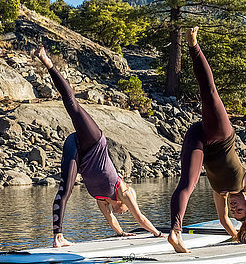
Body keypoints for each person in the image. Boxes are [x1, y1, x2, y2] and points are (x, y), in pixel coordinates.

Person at [168, 27, 246, 253]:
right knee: (209, 92)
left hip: (198, 140)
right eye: (240, 209)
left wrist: (237, 236)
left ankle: (175, 233)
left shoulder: (220, 194)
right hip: (221, 135)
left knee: (186, 185)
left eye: (235, 211)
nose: (235, 208)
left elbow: (223, 219)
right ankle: (193, 44)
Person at [35, 47, 162, 248]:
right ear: (123, 203)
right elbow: (140, 218)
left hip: (76, 149)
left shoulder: (103, 201)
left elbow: (112, 221)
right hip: (93, 142)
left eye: (124, 212)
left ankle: (57, 237)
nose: (124, 212)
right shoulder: (124, 192)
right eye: (125, 210)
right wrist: (158, 234)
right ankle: (48, 62)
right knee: (73, 106)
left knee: (65, 189)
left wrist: (122, 234)